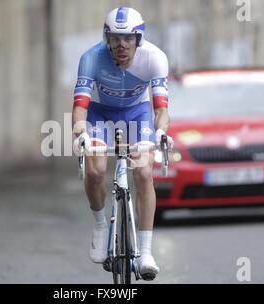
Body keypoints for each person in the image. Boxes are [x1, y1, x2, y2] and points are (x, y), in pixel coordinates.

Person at [71, 7, 172, 280]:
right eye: (115, 38)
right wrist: (80, 133)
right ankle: (101, 225)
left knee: (143, 172)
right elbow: (80, 107)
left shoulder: (155, 58)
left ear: (139, 39)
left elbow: (160, 108)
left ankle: (147, 251)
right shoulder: (91, 58)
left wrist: (161, 132)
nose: (121, 45)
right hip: (100, 114)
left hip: (137, 114)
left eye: (129, 38)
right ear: (107, 39)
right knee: (94, 170)